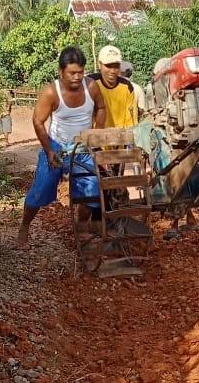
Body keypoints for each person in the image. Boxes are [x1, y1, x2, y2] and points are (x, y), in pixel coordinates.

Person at [16, 47, 106, 249]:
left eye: (80, 72)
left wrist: (95, 134)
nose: (77, 77)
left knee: (91, 188)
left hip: (83, 147)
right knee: (40, 189)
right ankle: (24, 227)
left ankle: (81, 225)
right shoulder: (51, 92)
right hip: (56, 146)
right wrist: (49, 150)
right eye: (72, 73)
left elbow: (101, 107)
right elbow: (38, 121)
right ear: (61, 72)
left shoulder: (91, 87)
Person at [88, 45, 138, 128]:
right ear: (99, 64)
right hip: (96, 136)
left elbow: (131, 123)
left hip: (119, 136)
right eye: (108, 66)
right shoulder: (90, 83)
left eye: (116, 66)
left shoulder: (127, 87)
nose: (113, 71)